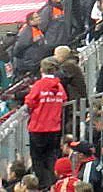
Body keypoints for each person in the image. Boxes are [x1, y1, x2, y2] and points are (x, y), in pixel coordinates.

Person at [25, 57, 66, 187]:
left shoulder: (39, 85)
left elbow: (29, 101)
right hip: (54, 128)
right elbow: (64, 99)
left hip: (38, 128)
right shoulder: (59, 86)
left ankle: (43, 186)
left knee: (38, 160)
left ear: (41, 69)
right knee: (51, 158)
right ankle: (53, 185)